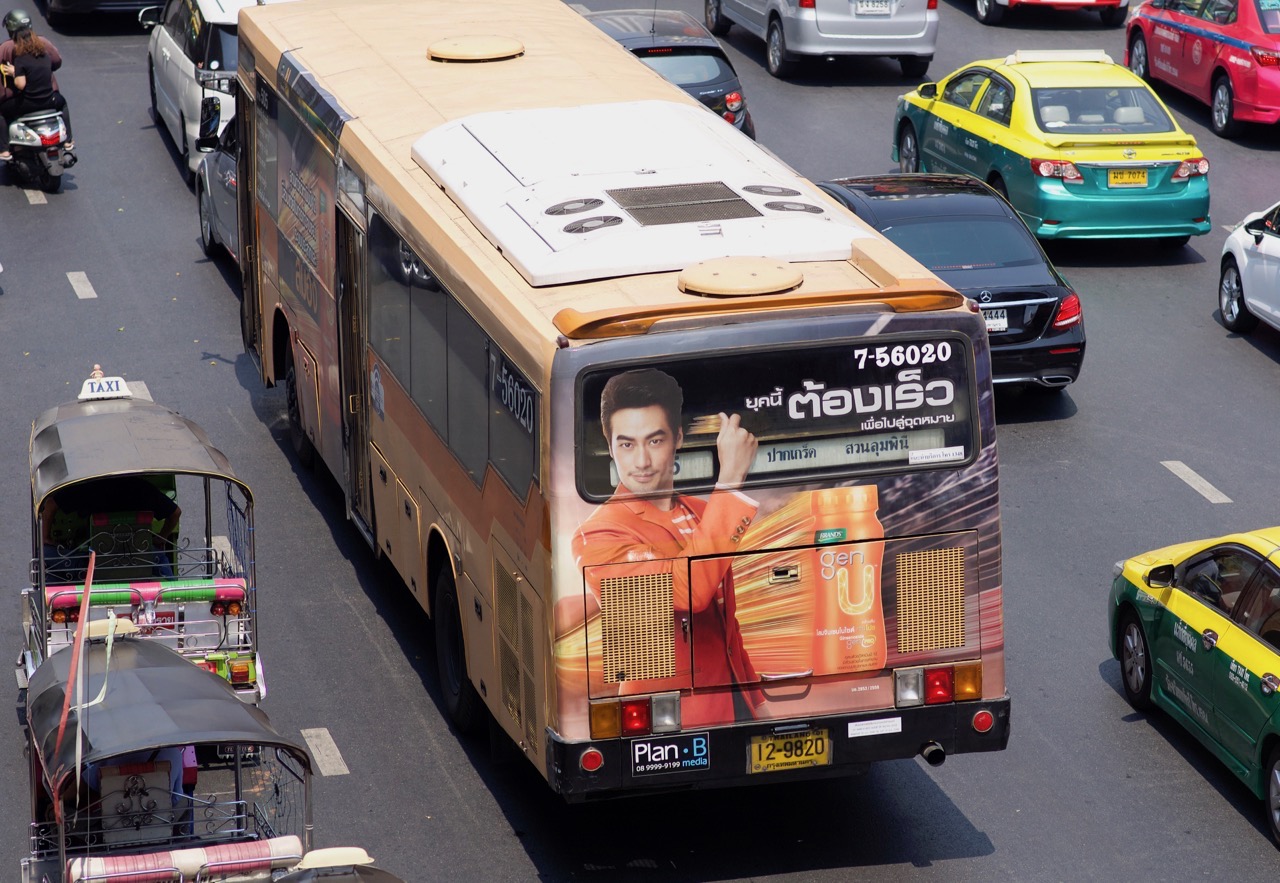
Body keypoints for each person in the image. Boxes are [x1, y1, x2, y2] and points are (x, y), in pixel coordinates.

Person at [565, 368, 763, 726]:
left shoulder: (707, 512)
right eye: (627, 444)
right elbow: (691, 592)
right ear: (610, 447)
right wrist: (730, 480)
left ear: (678, 439)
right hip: (667, 719)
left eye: (655, 441)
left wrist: (757, 702)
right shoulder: (596, 535)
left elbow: (726, 626)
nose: (641, 461)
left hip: (736, 704)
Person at [42, 476, 182, 579]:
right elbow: (176, 513)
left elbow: (50, 505)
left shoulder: (89, 487)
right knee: (161, 557)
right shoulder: (141, 487)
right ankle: (172, 593)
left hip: (94, 565)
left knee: (46, 553)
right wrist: (161, 538)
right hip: (141, 561)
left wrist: (46, 538)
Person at [0, 12, 70, 160]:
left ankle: (4, 149)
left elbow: (20, 85)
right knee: (63, 102)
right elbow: (56, 62)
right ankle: (69, 140)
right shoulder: (44, 48)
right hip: (50, 98)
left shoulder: (11, 51)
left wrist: (15, 73)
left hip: (27, 102)